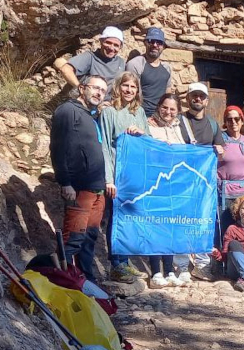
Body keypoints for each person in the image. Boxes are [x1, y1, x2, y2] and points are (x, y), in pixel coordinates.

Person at [50, 75, 108, 281]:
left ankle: (85, 282)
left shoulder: (90, 116)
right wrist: (65, 182)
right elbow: (58, 148)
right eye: (95, 88)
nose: (99, 93)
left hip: (96, 189)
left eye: (103, 90)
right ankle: (56, 280)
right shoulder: (68, 111)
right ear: (82, 88)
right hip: (79, 187)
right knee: (73, 239)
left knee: (89, 239)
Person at [99, 71, 149, 283]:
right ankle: (117, 264)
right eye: (125, 86)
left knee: (129, 219)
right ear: (118, 87)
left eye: (133, 87)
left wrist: (141, 132)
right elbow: (104, 147)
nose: (129, 90)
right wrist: (108, 179)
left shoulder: (140, 112)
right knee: (116, 219)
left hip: (134, 175)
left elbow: (148, 142)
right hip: (117, 176)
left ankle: (126, 261)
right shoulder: (110, 112)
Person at [177, 82, 225, 281]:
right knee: (179, 220)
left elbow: (220, 150)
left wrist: (219, 151)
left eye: (201, 96)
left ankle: (202, 264)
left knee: (203, 221)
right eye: (194, 96)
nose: (198, 99)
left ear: (206, 100)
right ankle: (180, 265)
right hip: (180, 181)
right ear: (188, 98)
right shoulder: (178, 121)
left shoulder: (213, 124)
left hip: (204, 184)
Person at [146, 93, 187, 288]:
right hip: (155, 184)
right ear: (158, 106)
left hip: (174, 185)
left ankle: (170, 269)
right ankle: (155, 271)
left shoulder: (178, 128)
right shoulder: (149, 126)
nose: (168, 112)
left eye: (172, 109)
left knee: (170, 227)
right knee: (156, 227)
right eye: (165, 107)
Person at [218, 106, 244, 240]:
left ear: (242, 121)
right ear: (225, 122)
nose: (233, 122)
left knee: (243, 229)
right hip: (225, 194)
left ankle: (241, 259)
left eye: (237, 119)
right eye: (229, 119)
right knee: (225, 229)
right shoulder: (219, 140)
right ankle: (222, 260)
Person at [55, 27, 125, 98]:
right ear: (101, 41)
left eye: (116, 45)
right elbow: (65, 69)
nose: (111, 48)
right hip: (84, 102)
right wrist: (80, 88)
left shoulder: (121, 63)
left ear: (120, 47)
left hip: (105, 105)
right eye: (108, 43)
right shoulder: (90, 57)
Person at [125, 27, 173, 117]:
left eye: (159, 42)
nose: (155, 45)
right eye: (151, 41)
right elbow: (132, 94)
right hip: (140, 115)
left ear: (163, 46)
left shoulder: (167, 68)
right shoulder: (136, 64)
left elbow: (168, 92)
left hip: (161, 116)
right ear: (145, 43)